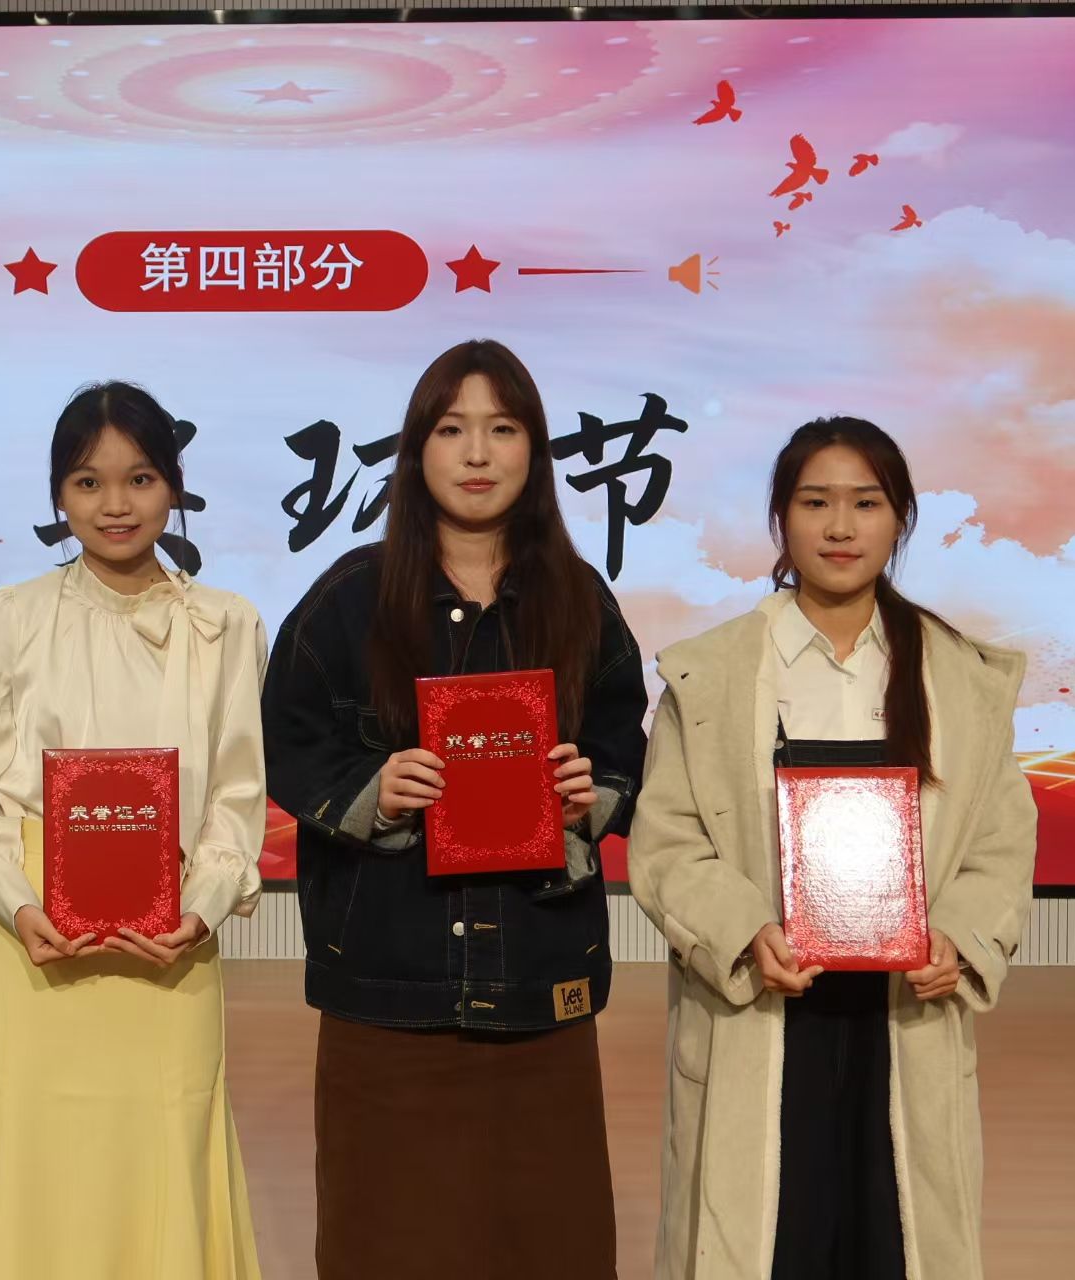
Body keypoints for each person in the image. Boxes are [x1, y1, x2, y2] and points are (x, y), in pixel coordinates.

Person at [262, 339, 648, 1278]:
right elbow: (286, 741)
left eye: (502, 429)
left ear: (534, 450)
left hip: (539, 978)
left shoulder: (581, 600)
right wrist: (374, 790)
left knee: (546, 1245)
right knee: (388, 1244)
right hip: (389, 987)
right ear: (416, 450)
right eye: (451, 429)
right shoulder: (349, 599)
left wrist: (586, 792)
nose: (477, 453)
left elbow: (625, 744)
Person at [628, 416, 1038, 1280]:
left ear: (901, 519)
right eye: (815, 502)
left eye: (866, 503)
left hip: (904, 1010)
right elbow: (667, 842)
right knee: (768, 1238)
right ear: (781, 517)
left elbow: (1000, 841)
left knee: (896, 1238)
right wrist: (745, 932)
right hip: (767, 1003)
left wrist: (959, 936)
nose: (841, 527)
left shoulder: (961, 678)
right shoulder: (710, 673)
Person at [0, 381, 265, 1278]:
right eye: (88, 482)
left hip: (174, 937)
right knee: (40, 1150)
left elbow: (238, 795)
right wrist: (16, 904)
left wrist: (199, 909)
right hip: (39, 932)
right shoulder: (14, 615)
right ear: (58, 495)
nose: (116, 504)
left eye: (140, 478)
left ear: (174, 486)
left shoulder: (226, 623)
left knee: (169, 1143)